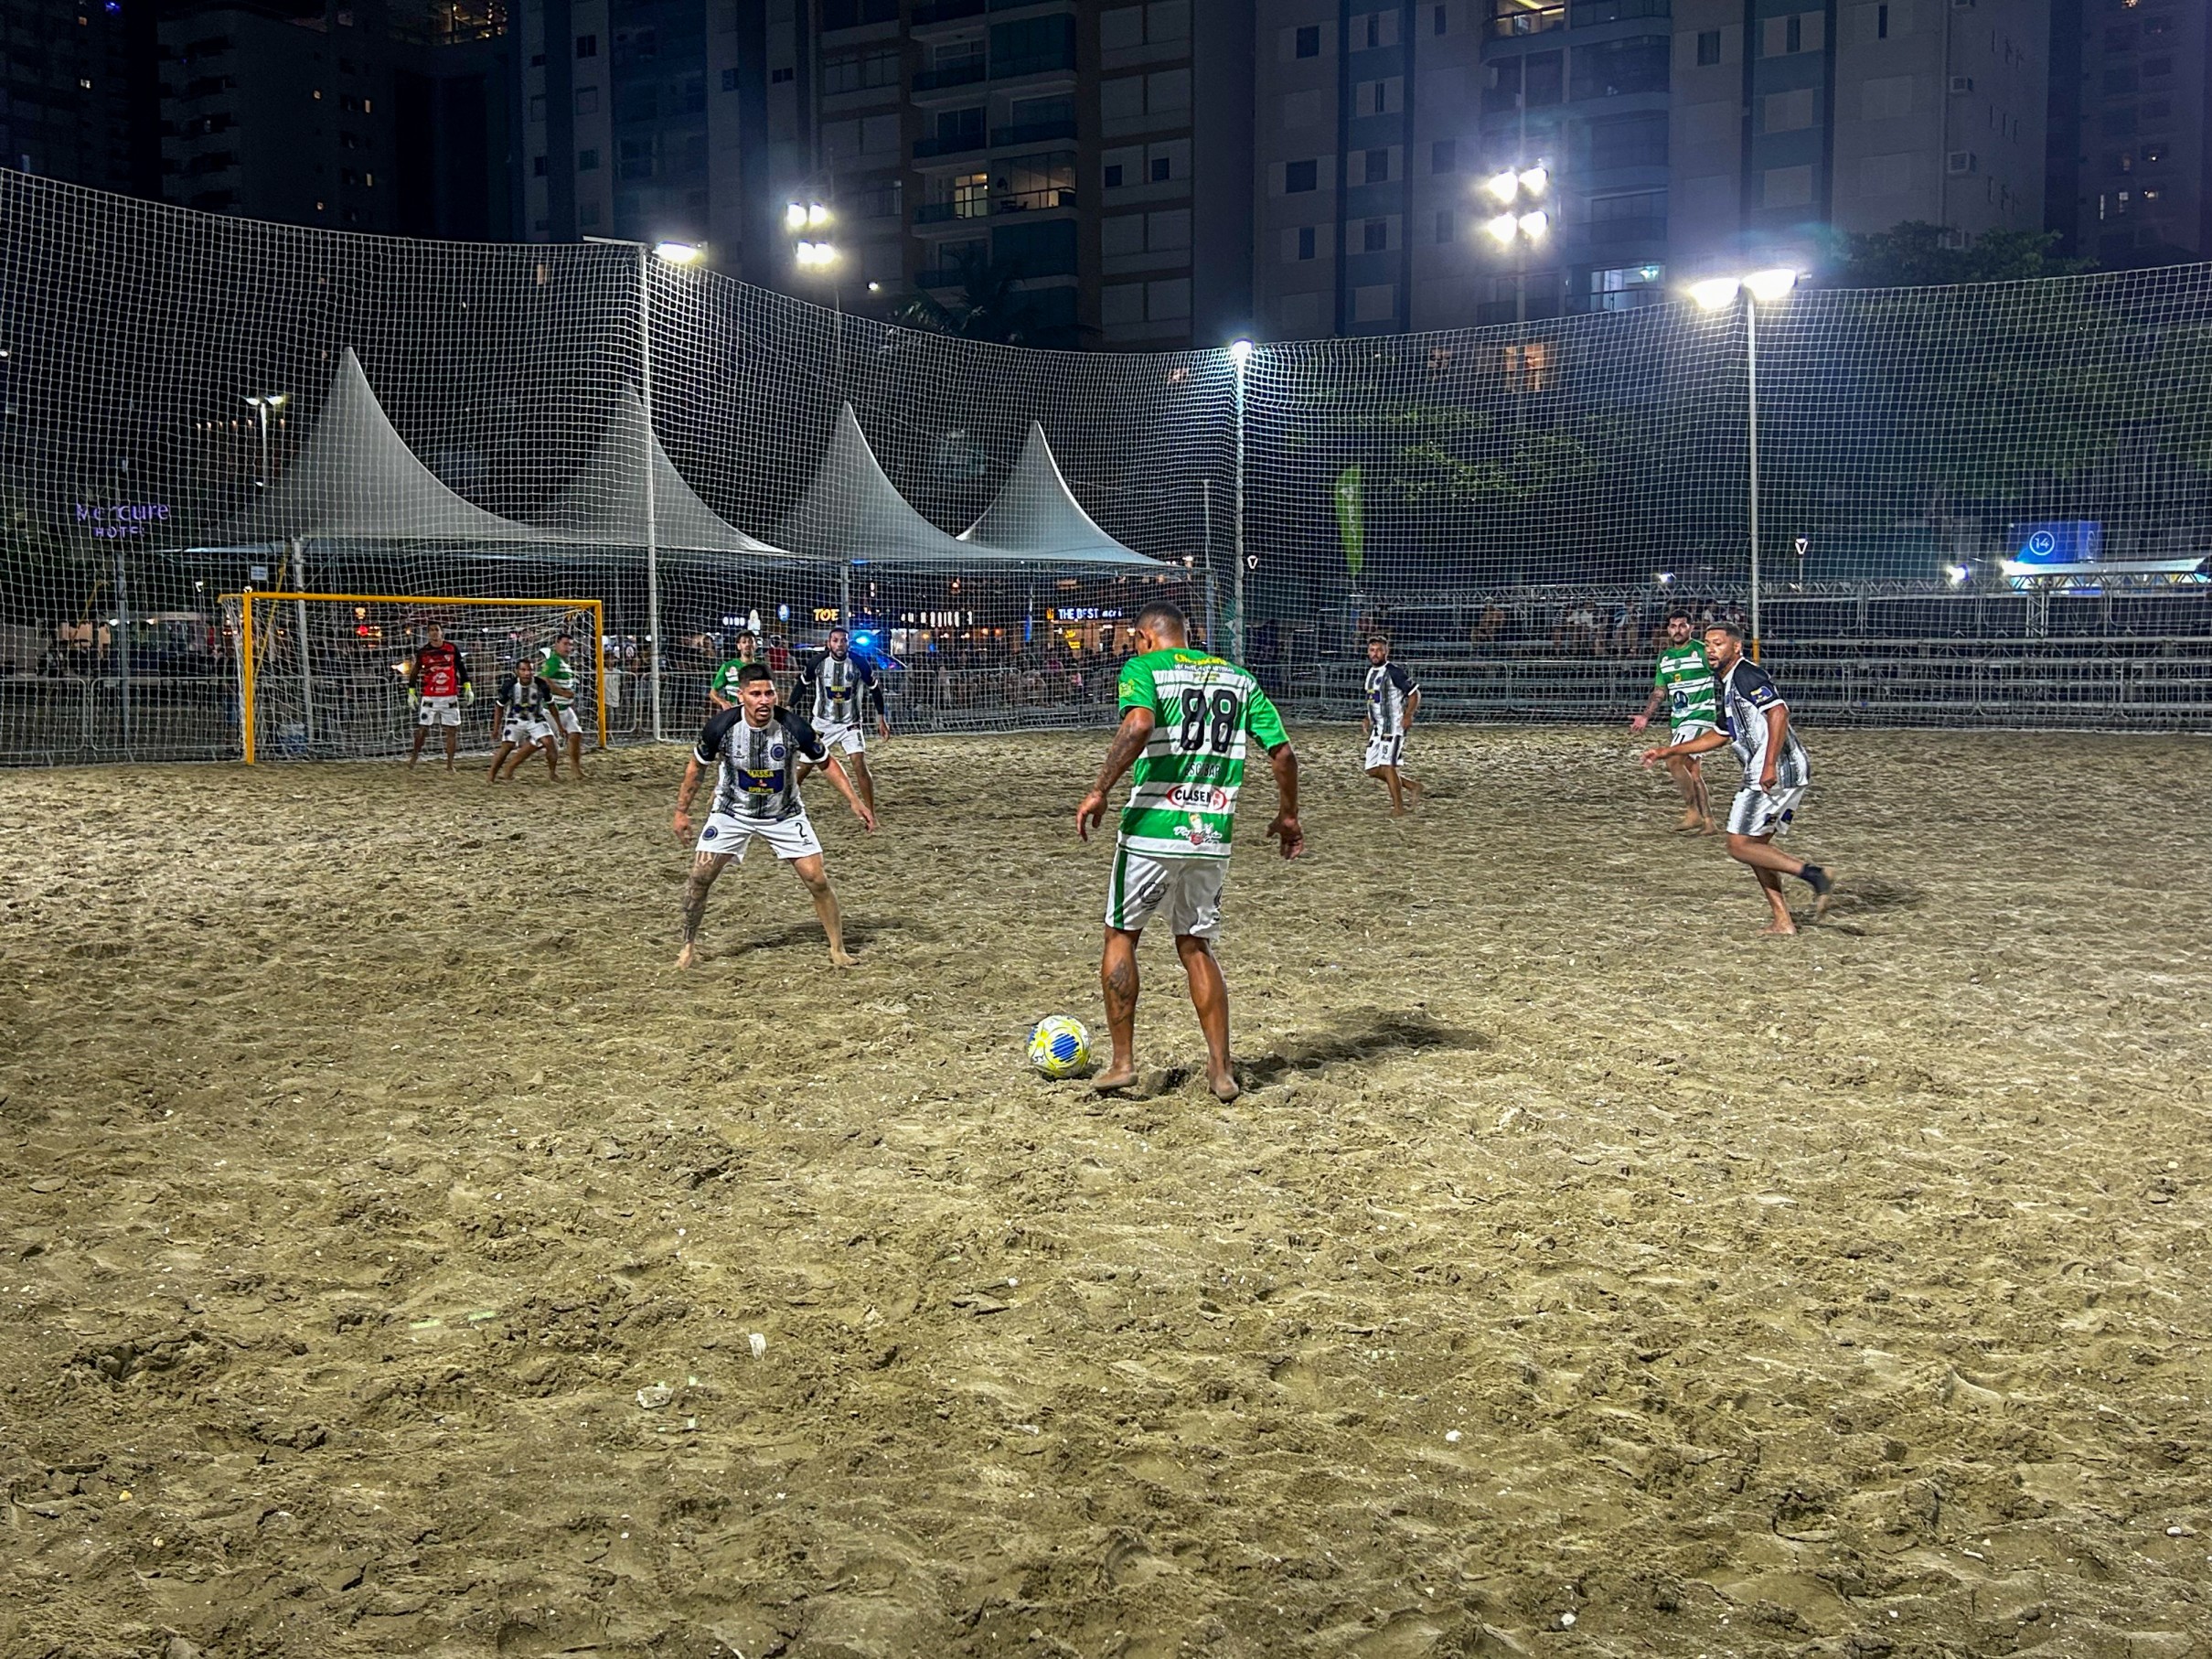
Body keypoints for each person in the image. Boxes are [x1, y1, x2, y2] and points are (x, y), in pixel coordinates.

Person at [1075, 602, 1302, 1103]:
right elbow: (1283, 753)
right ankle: (1221, 1071)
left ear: (1144, 637)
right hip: (1212, 833)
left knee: (1121, 935)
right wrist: (1288, 816)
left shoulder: (1144, 669)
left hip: (1153, 830)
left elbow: (1138, 726)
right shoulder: (1238, 679)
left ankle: (1122, 1063)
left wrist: (1099, 789)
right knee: (1196, 946)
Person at [672, 662, 875, 969]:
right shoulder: (720, 727)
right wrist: (681, 812)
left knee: (817, 879)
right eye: (756, 694)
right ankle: (687, 948)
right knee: (699, 878)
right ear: (741, 696)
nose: (764, 700)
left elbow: (827, 762)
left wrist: (854, 800)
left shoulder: (794, 726)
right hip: (731, 812)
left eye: (769, 693)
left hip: (784, 813)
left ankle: (838, 949)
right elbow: (696, 768)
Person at [1641, 621, 1834, 935]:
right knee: (1755, 848)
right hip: (1778, 769)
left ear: (1736, 646)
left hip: (1774, 770)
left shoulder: (1746, 674)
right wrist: (1668, 751)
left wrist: (1769, 765)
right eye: (1707, 644)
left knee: (1738, 845)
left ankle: (1814, 875)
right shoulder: (1729, 684)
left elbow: (1779, 712)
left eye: (1718, 644)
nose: (1710, 650)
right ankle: (1783, 921)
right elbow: (1719, 735)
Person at [1630, 610, 1718, 834]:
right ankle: (1709, 822)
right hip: (1680, 720)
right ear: (1668, 629)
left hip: (1700, 716)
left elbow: (1723, 673)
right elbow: (1660, 691)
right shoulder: (1665, 658)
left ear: (1691, 628)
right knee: (1693, 771)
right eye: (1673, 626)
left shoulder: (1701, 651)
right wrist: (1646, 715)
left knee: (1672, 760)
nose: (1677, 630)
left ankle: (1693, 812)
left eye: (1682, 625)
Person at [794, 626, 890, 816]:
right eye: (835, 640)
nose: (839, 644)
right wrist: (789, 708)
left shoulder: (859, 663)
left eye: (843, 640)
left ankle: (870, 813)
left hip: (850, 724)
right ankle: (784, 804)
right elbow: (801, 685)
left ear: (848, 643)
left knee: (859, 763)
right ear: (829, 643)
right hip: (822, 723)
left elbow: (875, 690)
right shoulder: (817, 662)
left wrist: (881, 718)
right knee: (804, 767)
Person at [1361, 634, 1421, 816]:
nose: (1375, 653)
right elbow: (1373, 699)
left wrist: (1408, 715)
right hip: (1378, 728)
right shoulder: (1370, 673)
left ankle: (1398, 808)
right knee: (1371, 769)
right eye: (1372, 650)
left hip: (1393, 726)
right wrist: (1368, 717)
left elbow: (1414, 694)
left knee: (1388, 766)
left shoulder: (1394, 672)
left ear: (1387, 651)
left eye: (1379, 650)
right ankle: (1412, 785)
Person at [406, 621, 473, 772]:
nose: (434, 632)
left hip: (450, 696)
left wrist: (468, 687)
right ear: (428, 634)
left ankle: (450, 765)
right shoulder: (423, 652)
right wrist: (411, 692)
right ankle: (413, 759)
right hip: (430, 696)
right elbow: (415, 672)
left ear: (442, 632)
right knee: (423, 729)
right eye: (431, 630)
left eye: (436, 629)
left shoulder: (452, 648)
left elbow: (461, 668)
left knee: (451, 730)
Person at [488, 656, 561, 782]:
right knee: (507, 747)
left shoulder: (541, 684)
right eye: (523, 670)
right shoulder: (510, 685)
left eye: (530, 670)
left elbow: (551, 705)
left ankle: (552, 774)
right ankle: (491, 776)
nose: (527, 673)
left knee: (550, 743)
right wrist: (496, 728)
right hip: (515, 719)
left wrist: (560, 725)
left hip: (536, 719)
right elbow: (499, 706)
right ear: (517, 671)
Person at [539, 630, 588, 780]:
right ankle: (510, 767)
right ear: (557, 644)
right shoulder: (553, 661)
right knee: (536, 745)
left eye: (571, 645)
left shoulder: (562, 661)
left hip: (565, 709)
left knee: (576, 734)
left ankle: (575, 769)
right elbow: (543, 678)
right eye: (565, 644)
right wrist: (562, 692)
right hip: (552, 710)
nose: (568, 647)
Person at [707, 628, 761, 712]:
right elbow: (713, 693)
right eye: (744, 642)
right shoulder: (727, 667)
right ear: (738, 646)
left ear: (756, 645)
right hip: (735, 711)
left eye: (751, 642)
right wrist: (723, 702)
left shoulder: (762, 667)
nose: (747, 644)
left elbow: (774, 691)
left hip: (756, 710)